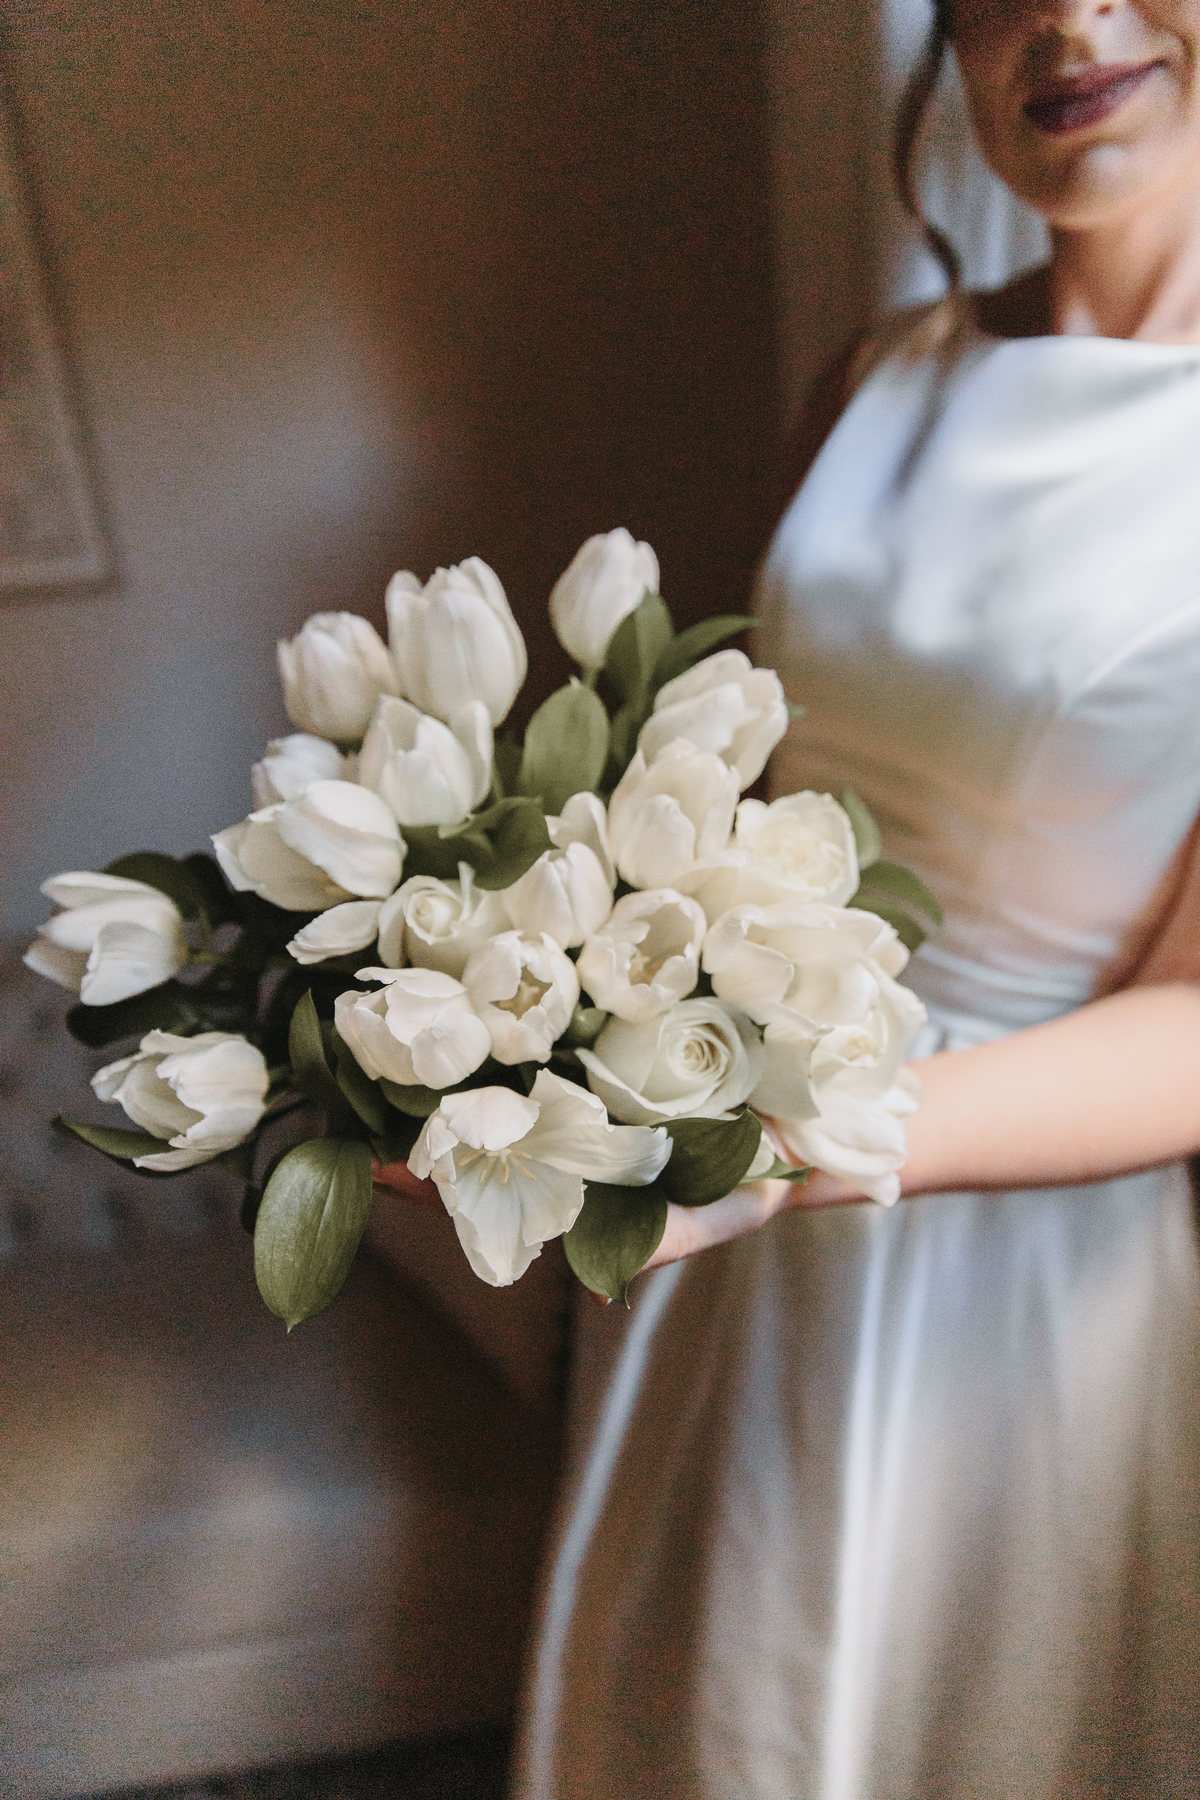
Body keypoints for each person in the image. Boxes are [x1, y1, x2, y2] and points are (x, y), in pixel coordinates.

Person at [380, 3, 1200, 1792]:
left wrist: (789, 1152)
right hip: (720, 1187)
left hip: (1011, 1250)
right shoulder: (880, 370)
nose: (1068, 19)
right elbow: (738, 780)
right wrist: (518, 1004)